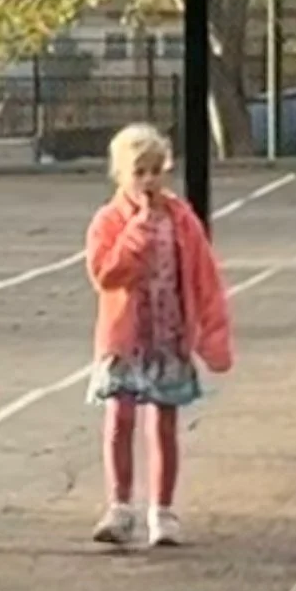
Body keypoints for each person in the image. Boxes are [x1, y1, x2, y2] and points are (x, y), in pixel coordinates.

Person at [83, 123, 234, 548]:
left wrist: (213, 335)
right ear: (120, 175)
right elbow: (105, 273)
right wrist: (137, 233)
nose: (148, 181)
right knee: (120, 418)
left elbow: (206, 279)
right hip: (124, 341)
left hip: (168, 338)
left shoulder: (183, 220)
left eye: (156, 171)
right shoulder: (109, 221)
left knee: (164, 423)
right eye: (139, 172)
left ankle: (162, 511)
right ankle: (119, 506)